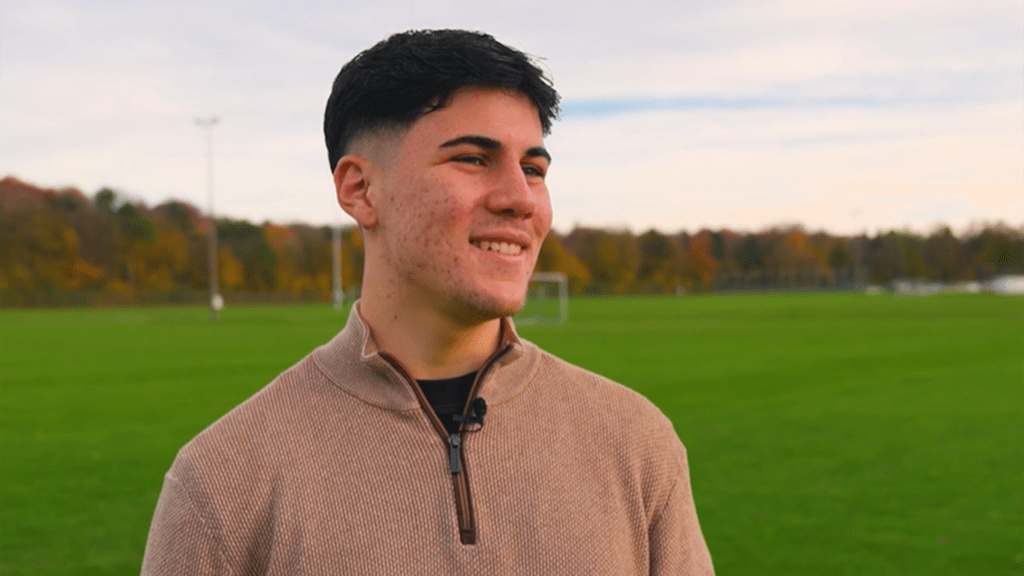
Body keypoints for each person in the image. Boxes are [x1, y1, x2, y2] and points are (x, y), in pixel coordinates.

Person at [142, 29, 714, 575]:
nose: (520, 198)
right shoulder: (222, 483)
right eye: (473, 158)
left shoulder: (636, 443)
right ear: (360, 190)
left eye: (533, 168)